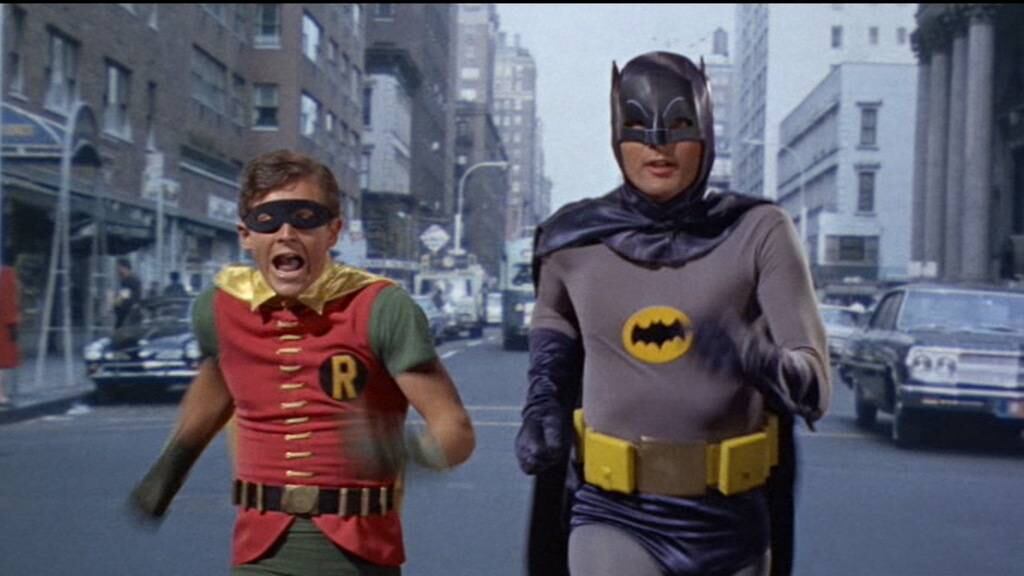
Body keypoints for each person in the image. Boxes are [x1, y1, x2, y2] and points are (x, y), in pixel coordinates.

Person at [515, 52, 830, 576]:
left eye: (679, 124)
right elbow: (555, 325)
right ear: (617, 134)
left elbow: (815, 387)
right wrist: (542, 403)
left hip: (730, 518)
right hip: (613, 510)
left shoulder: (757, 229)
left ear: (705, 131)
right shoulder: (572, 239)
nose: (657, 145)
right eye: (638, 127)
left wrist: (752, 356)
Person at [129, 150, 476, 575]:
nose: (286, 233)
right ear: (245, 235)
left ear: (333, 231)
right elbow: (217, 387)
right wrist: (169, 469)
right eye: (268, 220)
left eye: (305, 218)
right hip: (259, 552)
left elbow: (456, 430)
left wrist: (403, 450)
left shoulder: (382, 308)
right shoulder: (219, 308)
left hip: (359, 553)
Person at [0, 264, 20, 406]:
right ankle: (1, 394)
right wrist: (12, 323)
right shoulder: (6, 276)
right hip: (4, 326)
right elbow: (10, 303)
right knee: (2, 363)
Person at [114, 258, 143, 328]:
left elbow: (123, 298)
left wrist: (115, 303)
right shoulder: (129, 280)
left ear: (125, 268)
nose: (117, 270)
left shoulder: (129, 281)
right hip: (128, 315)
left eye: (119, 267)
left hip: (128, 316)